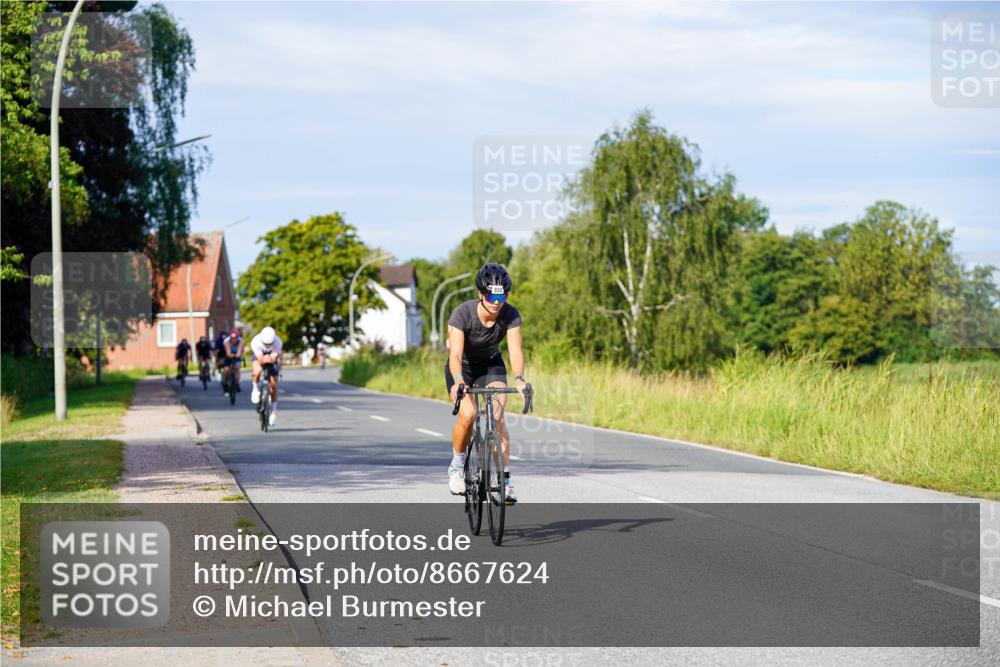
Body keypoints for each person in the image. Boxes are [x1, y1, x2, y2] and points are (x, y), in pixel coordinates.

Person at [445, 262, 527, 503]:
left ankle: (505, 483)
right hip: (463, 368)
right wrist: (458, 381)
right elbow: (455, 355)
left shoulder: (510, 314)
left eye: (502, 296)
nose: (496, 302)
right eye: (491, 296)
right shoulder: (462, 314)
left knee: (497, 418)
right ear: (480, 293)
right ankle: (457, 467)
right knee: (468, 414)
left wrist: (519, 378)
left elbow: (515, 351)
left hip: (491, 365)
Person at [250, 326, 283, 427]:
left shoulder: (278, 342)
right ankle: (255, 389)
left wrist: (271, 358)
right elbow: (260, 359)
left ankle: (273, 412)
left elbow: (273, 357)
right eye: (265, 344)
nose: (268, 346)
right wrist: (264, 358)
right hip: (259, 356)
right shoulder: (255, 342)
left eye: (270, 344)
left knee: (274, 385)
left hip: (272, 358)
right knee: (257, 371)